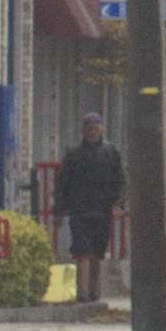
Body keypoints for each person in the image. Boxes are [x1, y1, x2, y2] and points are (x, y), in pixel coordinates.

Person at [56, 113, 126, 305]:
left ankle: (95, 291)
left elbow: (120, 180)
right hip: (80, 211)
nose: (92, 131)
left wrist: (118, 203)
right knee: (82, 252)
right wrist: (60, 209)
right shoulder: (73, 154)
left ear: (102, 128)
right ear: (83, 130)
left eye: (95, 127)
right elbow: (62, 183)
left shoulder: (111, 152)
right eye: (88, 127)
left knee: (97, 252)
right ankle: (83, 292)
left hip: (102, 211)